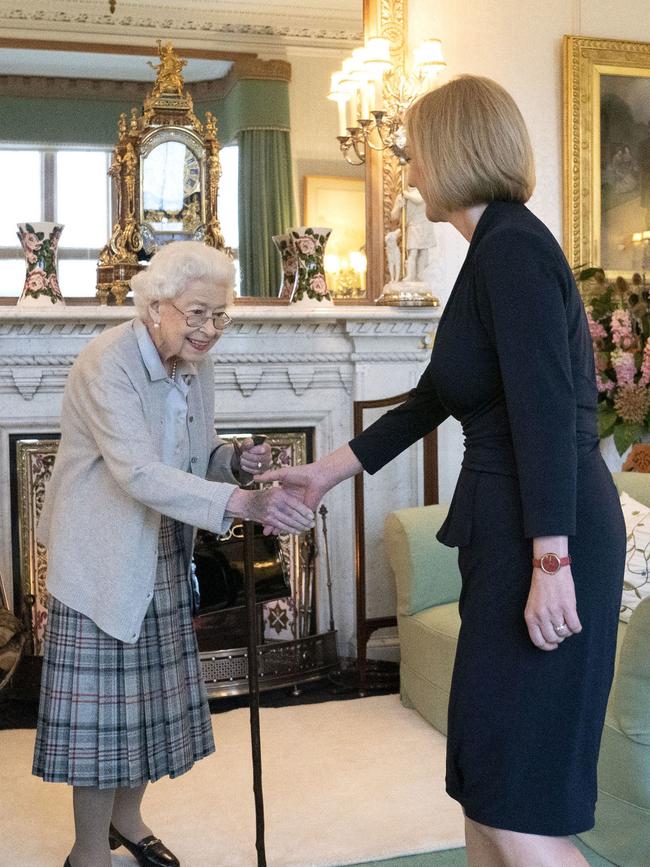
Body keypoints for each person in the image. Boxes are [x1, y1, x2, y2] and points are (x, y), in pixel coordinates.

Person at [257, 76, 625, 867]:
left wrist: (551, 559)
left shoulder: (515, 250)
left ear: (455, 148)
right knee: (489, 785)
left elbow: (547, 414)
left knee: (518, 797)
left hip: (546, 535)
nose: (410, 166)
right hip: (513, 533)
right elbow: (433, 398)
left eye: (414, 148)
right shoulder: (494, 249)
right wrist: (327, 471)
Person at [32, 240, 314, 867]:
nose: (209, 329)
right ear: (155, 306)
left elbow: (194, 455)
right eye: (197, 313)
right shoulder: (108, 363)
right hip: (101, 556)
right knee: (104, 725)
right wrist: (241, 505)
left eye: (220, 315)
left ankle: (127, 822)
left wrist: (236, 463)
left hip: (161, 549)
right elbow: (136, 472)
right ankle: (87, 852)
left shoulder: (194, 365)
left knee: (146, 710)